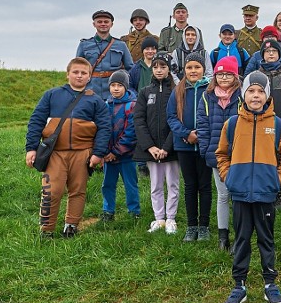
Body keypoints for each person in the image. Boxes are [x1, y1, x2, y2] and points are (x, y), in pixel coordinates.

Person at [217, 71, 281, 303]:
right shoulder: (232, 124)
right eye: (251, 91)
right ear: (244, 94)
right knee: (241, 240)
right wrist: (229, 177)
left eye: (260, 91)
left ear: (267, 95)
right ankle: (239, 285)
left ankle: (270, 284)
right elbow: (221, 154)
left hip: (265, 194)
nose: (255, 95)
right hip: (240, 194)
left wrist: (278, 178)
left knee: (266, 239)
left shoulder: (276, 124)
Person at [26, 57, 111, 238]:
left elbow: (105, 127)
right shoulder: (52, 95)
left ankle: (71, 225)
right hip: (55, 153)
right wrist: (31, 148)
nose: (79, 76)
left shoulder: (96, 101)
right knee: (52, 191)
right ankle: (46, 229)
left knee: (78, 190)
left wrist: (98, 153)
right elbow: (36, 121)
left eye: (83, 73)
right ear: (68, 74)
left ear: (89, 77)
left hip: (83, 153)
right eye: (75, 72)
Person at [196, 56, 242, 251]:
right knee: (223, 195)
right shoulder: (207, 97)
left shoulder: (241, 96)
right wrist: (207, 150)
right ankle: (223, 236)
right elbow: (203, 125)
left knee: (237, 195)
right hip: (217, 154)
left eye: (228, 74)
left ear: (235, 76)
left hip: (239, 155)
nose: (224, 77)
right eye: (220, 74)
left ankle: (240, 236)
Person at [166, 53, 213, 242]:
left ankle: (204, 226)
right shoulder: (178, 90)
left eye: (197, 67)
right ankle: (191, 225)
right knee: (190, 186)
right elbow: (171, 117)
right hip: (184, 146)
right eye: (190, 68)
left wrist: (201, 135)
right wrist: (186, 134)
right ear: (184, 70)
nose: (193, 71)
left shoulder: (210, 89)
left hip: (205, 146)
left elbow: (214, 115)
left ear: (203, 69)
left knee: (205, 186)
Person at [133, 51, 180, 234]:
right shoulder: (145, 92)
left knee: (173, 184)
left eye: (163, 66)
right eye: (155, 66)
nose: (159, 70)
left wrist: (166, 147)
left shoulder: (176, 92)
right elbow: (139, 120)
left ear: (169, 69)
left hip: (171, 149)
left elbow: (178, 119)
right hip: (152, 150)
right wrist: (150, 146)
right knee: (155, 185)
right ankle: (159, 218)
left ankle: (171, 219)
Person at [100, 70, 140, 222]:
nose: (116, 88)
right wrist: (104, 152)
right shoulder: (105, 105)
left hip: (126, 155)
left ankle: (134, 211)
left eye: (119, 85)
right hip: (108, 155)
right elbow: (101, 129)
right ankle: (107, 210)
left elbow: (131, 132)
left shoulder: (132, 105)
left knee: (130, 184)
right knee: (107, 184)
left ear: (126, 87)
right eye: (113, 85)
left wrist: (116, 152)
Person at [76, 10, 134, 100]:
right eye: (99, 22)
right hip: (90, 90)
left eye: (106, 22)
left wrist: (123, 84)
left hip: (114, 92)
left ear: (111, 24)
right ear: (94, 24)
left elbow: (130, 68)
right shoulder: (84, 45)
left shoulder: (121, 45)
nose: (103, 24)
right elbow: (77, 68)